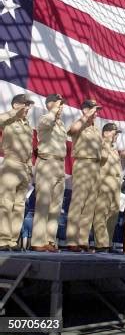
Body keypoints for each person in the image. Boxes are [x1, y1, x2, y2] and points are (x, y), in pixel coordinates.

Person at [66, 98, 103, 252]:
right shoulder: (80, 123)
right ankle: (72, 240)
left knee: (89, 205)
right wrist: (85, 117)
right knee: (79, 202)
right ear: (86, 109)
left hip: (95, 166)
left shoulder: (95, 129)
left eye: (97, 110)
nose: (96, 113)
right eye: (94, 110)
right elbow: (71, 131)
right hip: (83, 163)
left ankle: (82, 240)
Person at [31, 94, 67, 252]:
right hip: (47, 163)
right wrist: (54, 109)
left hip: (59, 164)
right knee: (43, 203)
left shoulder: (60, 124)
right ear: (50, 105)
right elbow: (46, 122)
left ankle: (50, 240)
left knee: (56, 206)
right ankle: (38, 241)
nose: (61, 108)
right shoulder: (45, 118)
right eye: (59, 105)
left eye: (62, 105)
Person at [0, 94, 35, 251]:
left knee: (19, 205)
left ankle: (13, 240)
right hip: (11, 164)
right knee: (6, 203)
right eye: (25, 104)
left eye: (28, 105)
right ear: (16, 105)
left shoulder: (27, 124)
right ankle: (3, 239)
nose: (27, 108)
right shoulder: (9, 120)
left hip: (24, 167)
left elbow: (28, 148)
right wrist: (14, 111)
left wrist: (30, 168)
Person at [93, 123, 122, 252]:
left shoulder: (114, 148)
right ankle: (101, 243)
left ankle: (108, 243)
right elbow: (102, 158)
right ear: (106, 133)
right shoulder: (100, 144)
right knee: (101, 213)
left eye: (117, 134)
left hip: (115, 183)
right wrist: (106, 142)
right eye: (114, 133)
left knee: (113, 214)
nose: (116, 136)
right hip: (104, 181)